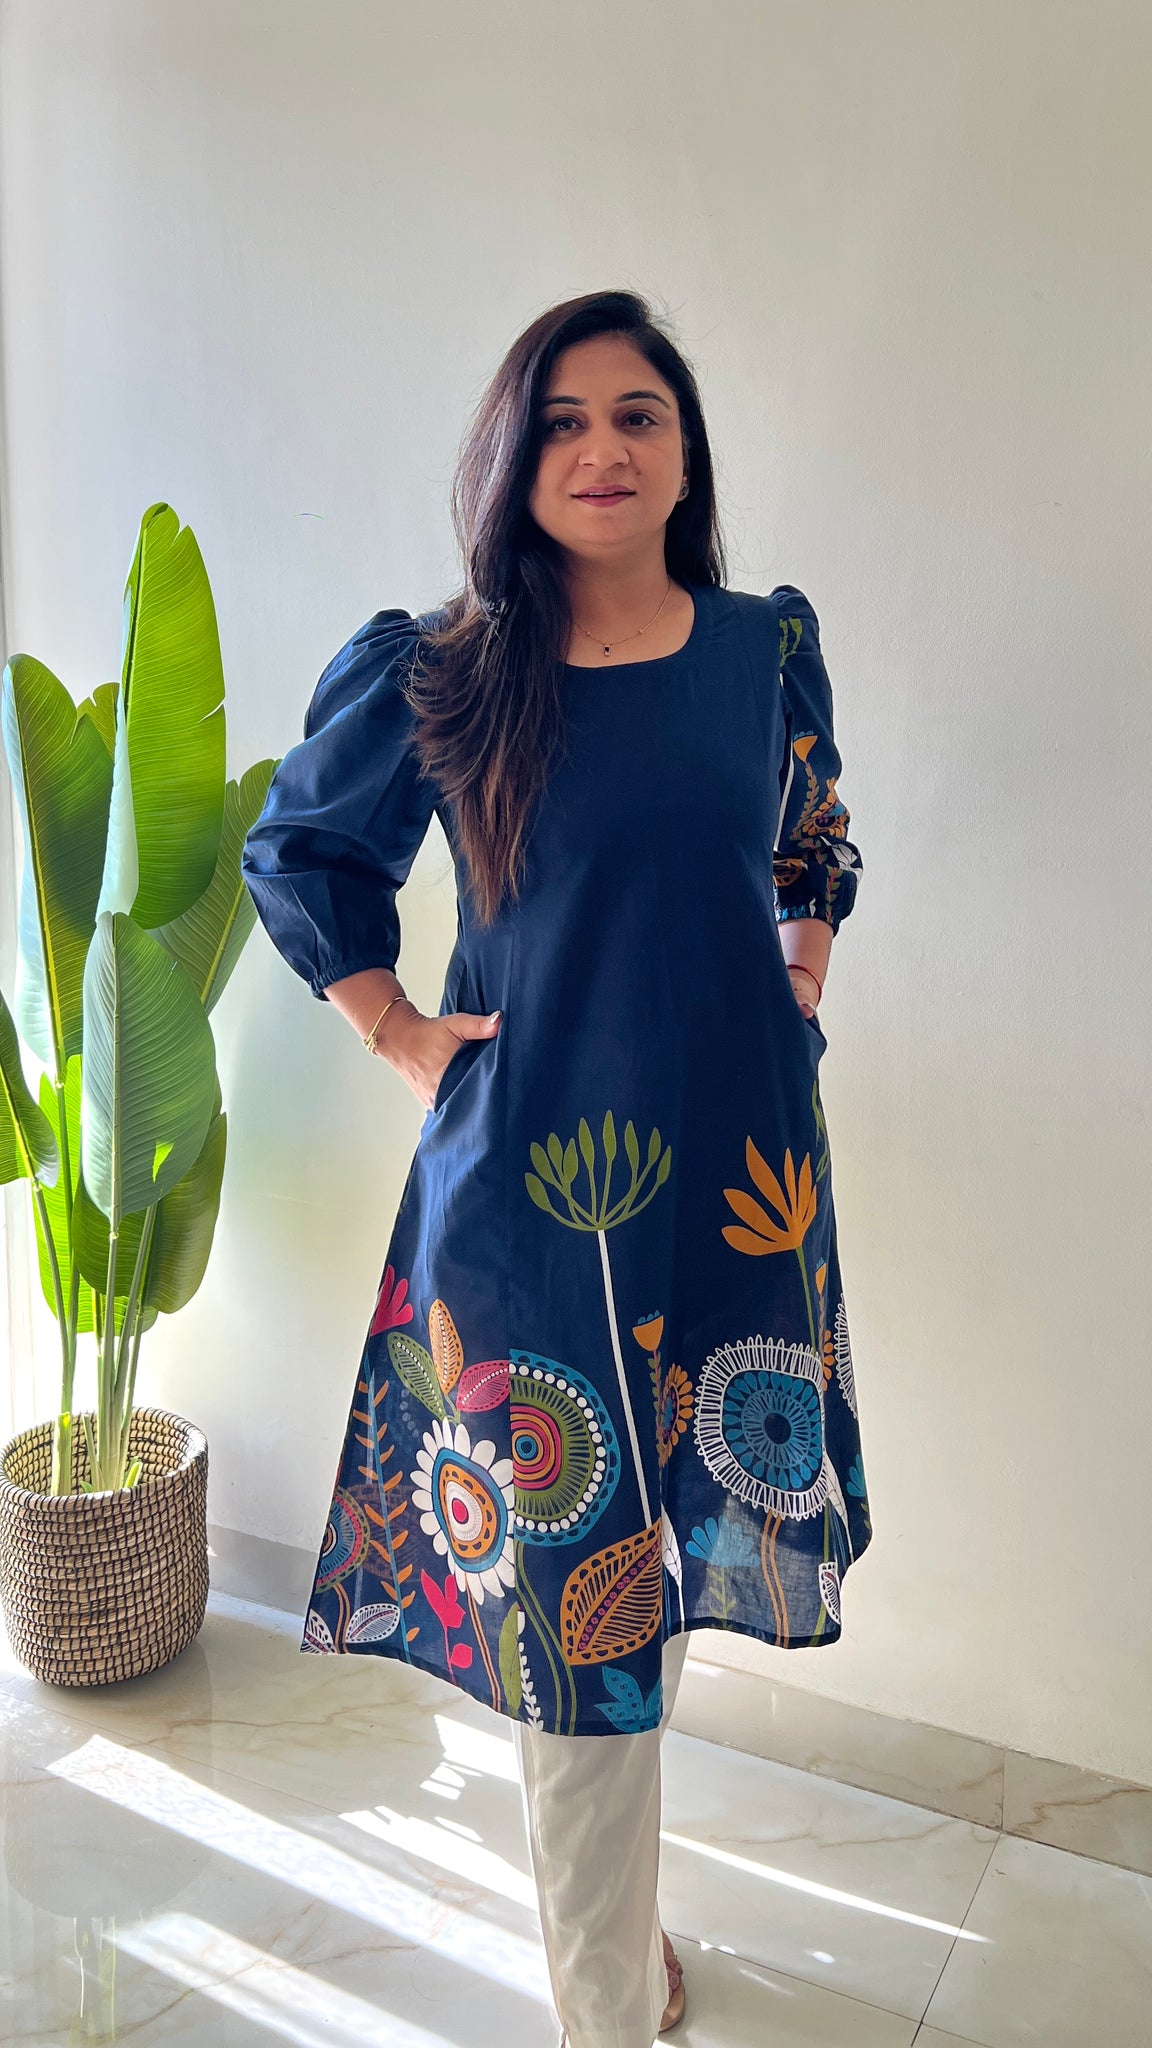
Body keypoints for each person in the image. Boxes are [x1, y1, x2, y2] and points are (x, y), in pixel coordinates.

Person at [241, 287, 872, 2048]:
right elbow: (303, 852)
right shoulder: (442, 669)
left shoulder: (762, 649)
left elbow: (812, 838)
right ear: (515, 463)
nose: (604, 448)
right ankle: (602, 2004)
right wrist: (400, 1033)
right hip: (535, 1204)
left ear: (686, 453)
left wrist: (796, 991)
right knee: (576, 1622)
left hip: (741, 1190)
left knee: (652, 1573)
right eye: (566, 420)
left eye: (638, 414)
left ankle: (623, 1941)